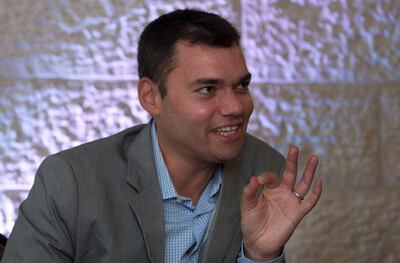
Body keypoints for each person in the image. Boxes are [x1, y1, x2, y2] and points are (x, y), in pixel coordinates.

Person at [2, 9, 322, 263]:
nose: (236, 106)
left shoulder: (266, 172)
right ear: (151, 97)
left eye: (241, 85)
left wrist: (260, 257)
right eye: (207, 89)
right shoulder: (71, 180)